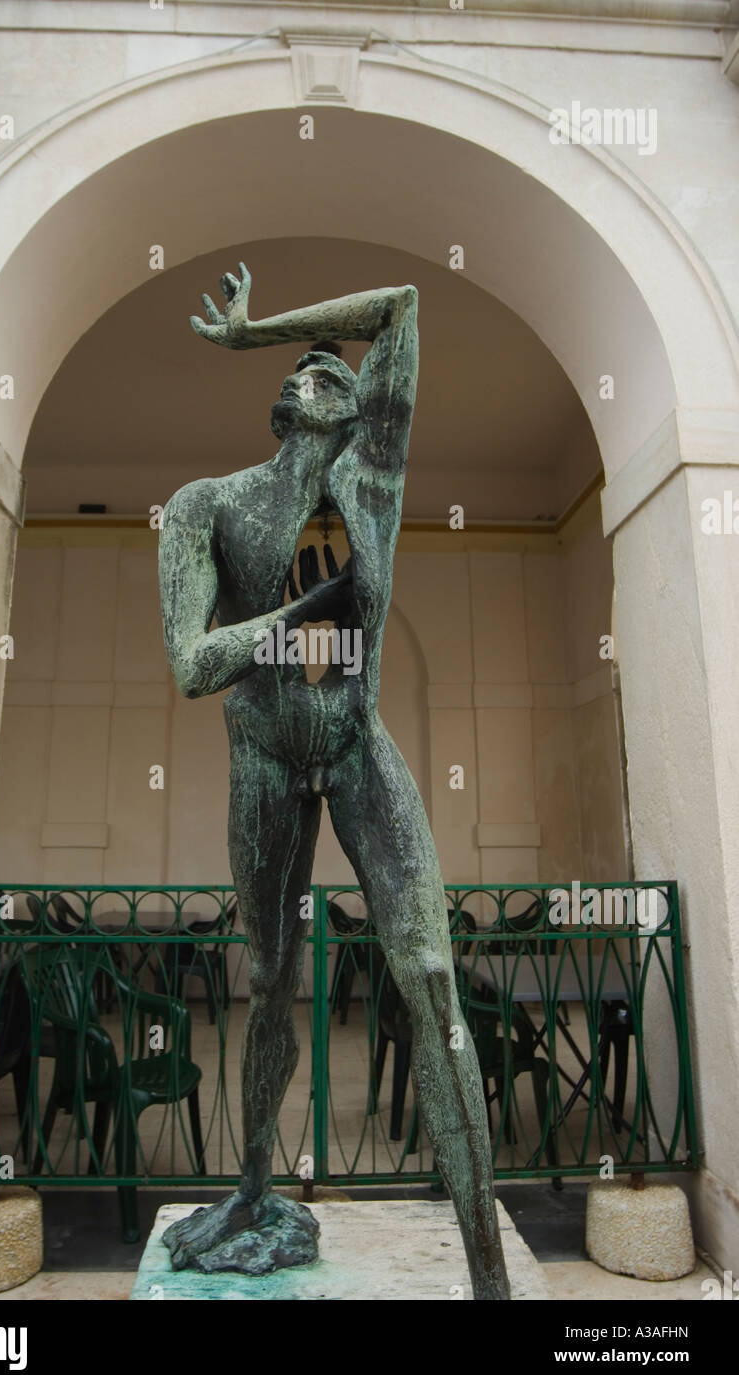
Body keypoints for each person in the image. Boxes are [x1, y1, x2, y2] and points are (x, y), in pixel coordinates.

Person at [158, 264, 510, 1298]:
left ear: (360, 410)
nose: (319, 373)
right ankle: (254, 1187)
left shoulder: (372, 483)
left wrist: (258, 325)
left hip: (356, 745)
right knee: (269, 978)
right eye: (303, 368)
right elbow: (188, 664)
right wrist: (292, 622)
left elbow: (399, 307)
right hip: (265, 753)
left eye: (332, 372)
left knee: (430, 972)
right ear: (284, 404)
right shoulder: (204, 507)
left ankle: (487, 1269)